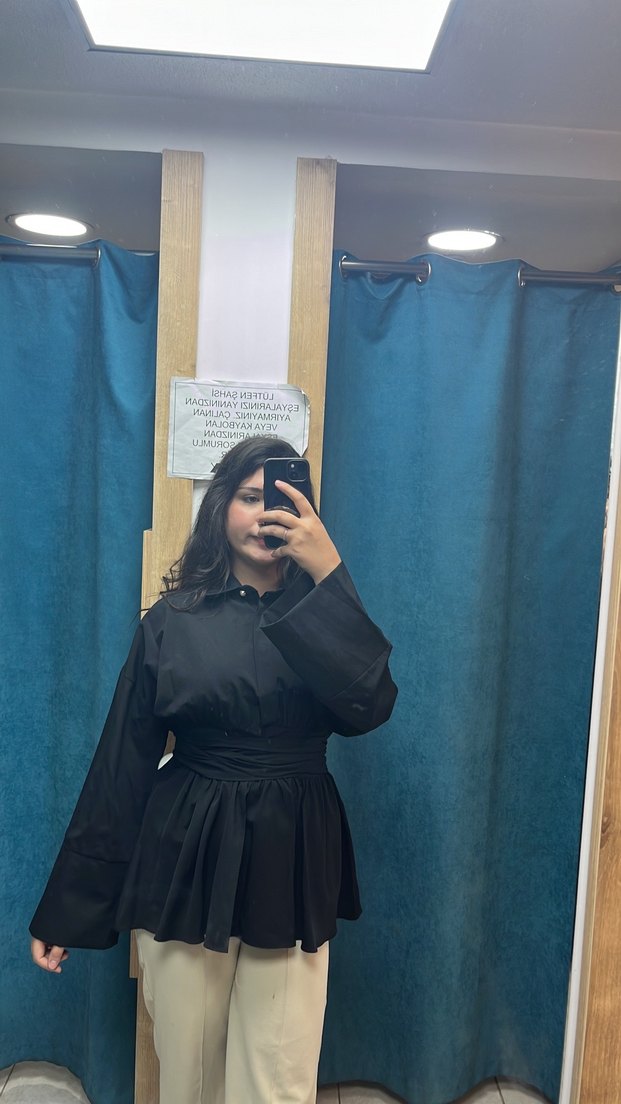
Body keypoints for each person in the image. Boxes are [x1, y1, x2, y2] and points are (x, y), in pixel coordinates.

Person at [30, 434, 397, 1104]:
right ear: (220, 506)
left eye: (282, 500)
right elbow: (122, 764)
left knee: (277, 1079)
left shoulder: (324, 610)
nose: (265, 514)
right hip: (184, 852)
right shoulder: (173, 619)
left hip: (292, 855)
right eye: (250, 497)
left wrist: (330, 576)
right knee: (189, 1076)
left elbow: (369, 708)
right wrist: (68, 909)